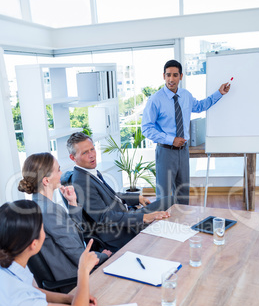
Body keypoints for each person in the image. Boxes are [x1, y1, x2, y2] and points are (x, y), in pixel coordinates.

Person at [0, 199, 99, 306]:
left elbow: (28, 291)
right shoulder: (15, 297)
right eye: (42, 228)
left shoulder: (8, 268)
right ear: (34, 244)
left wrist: (67, 298)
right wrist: (83, 270)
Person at [18, 153, 111, 292]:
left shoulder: (39, 206)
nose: (61, 173)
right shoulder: (49, 211)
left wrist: (72, 203)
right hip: (74, 280)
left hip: (68, 274)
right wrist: (103, 256)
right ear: (46, 181)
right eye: (58, 170)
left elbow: (73, 233)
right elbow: (77, 254)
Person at [65, 132, 174, 252]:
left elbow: (111, 195)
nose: (92, 155)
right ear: (73, 157)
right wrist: (143, 217)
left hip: (126, 216)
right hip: (120, 230)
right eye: (85, 152)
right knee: (170, 204)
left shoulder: (88, 172)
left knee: (170, 202)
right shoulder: (82, 181)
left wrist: (137, 198)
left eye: (92, 149)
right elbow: (104, 217)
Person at [141, 59, 230, 205]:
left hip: (183, 151)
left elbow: (200, 106)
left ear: (181, 76)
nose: (171, 79)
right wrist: (171, 139)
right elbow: (146, 128)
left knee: (183, 193)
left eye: (175, 75)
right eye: (168, 75)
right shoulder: (155, 100)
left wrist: (219, 93)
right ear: (163, 76)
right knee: (164, 194)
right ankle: (163, 226)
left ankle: (182, 225)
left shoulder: (186, 95)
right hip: (165, 151)